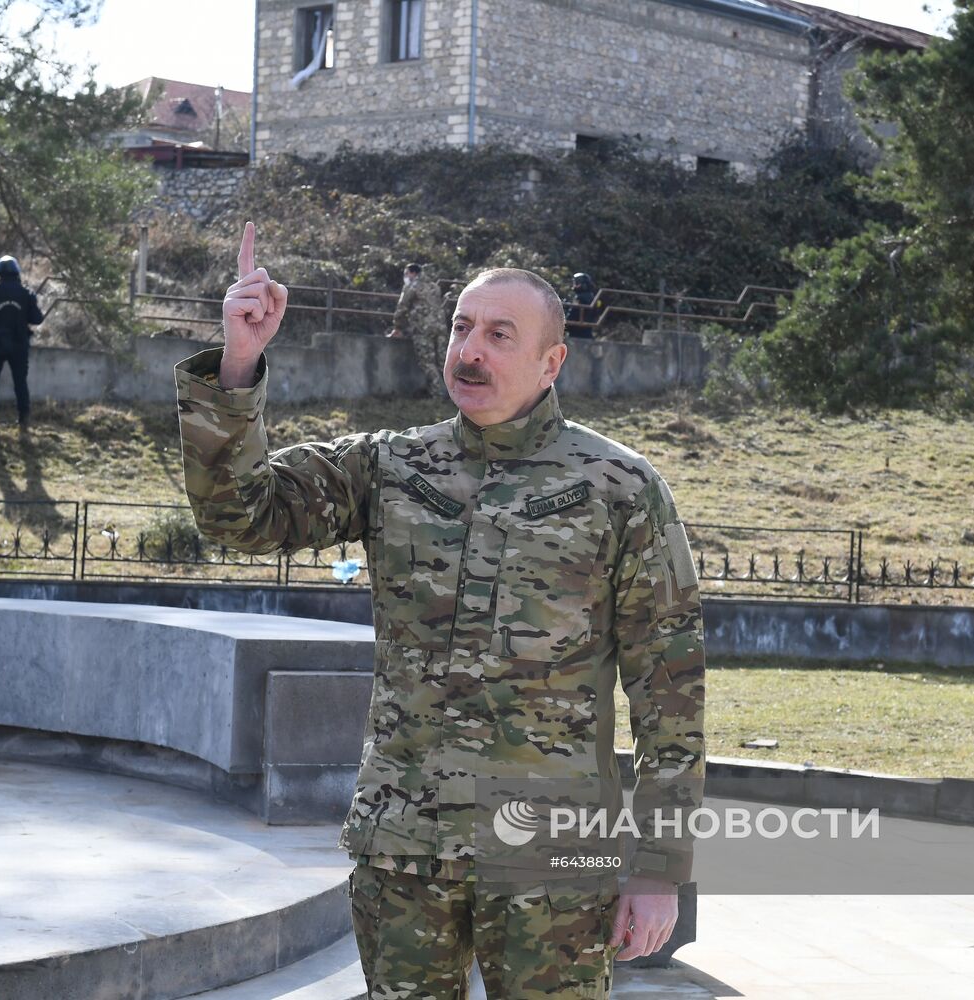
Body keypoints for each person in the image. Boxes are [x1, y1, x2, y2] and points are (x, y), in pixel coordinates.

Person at [174, 222, 704, 999]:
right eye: (461, 328)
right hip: (404, 848)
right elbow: (239, 517)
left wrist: (658, 868)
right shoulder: (392, 465)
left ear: (550, 361)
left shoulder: (618, 489)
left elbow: (671, 697)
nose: (471, 349)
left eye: (498, 333)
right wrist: (241, 361)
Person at [0, 255, 44, 428]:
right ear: (17, 272)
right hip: (19, 344)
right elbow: (37, 319)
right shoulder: (26, 294)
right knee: (20, 381)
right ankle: (23, 417)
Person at [387, 262, 448, 397]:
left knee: (427, 361)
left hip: (423, 329)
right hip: (441, 328)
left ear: (413, 273)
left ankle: (437, 395)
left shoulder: (412, 286)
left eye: (406, 273)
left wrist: (397, 327)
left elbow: (402, 308)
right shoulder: (434, 286)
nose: (405, 277)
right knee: (444, 361)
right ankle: (456, 395)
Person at [564, 271, 603, 339]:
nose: (575, 285)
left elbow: (573, 314)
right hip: (587, 332)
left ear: (583, 284)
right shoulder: (592, 296)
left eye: (577, 283)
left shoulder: (580, 298)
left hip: (576, 334)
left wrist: (565, 325)